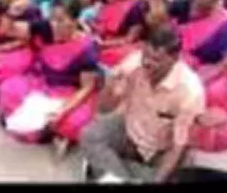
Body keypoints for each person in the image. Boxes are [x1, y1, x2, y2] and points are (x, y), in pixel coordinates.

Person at [81, 26, 205, 184]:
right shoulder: (133, 64)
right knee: (89, 135)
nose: (147, 63)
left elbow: (178, 147)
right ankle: (122, 174)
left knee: (169, 176)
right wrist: (110, 87)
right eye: (145, 55)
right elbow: (103, 109)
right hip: (130, 133)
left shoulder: (190, 91)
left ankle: (112, 172)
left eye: (156, 59)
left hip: (160, 150)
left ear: (175, 58)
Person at [0, 0, 101, 157]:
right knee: (8, 89)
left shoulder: (87, 48)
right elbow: (6, 30)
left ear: (74, 21)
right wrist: (11, 13)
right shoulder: (46, 29)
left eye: (60, 20)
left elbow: (87, 87)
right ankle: (51, 132)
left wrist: (62, 111)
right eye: (52, 19)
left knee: (76, 121)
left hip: (68, 94)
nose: (54, 25)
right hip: (42, 85)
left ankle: (55, 131)